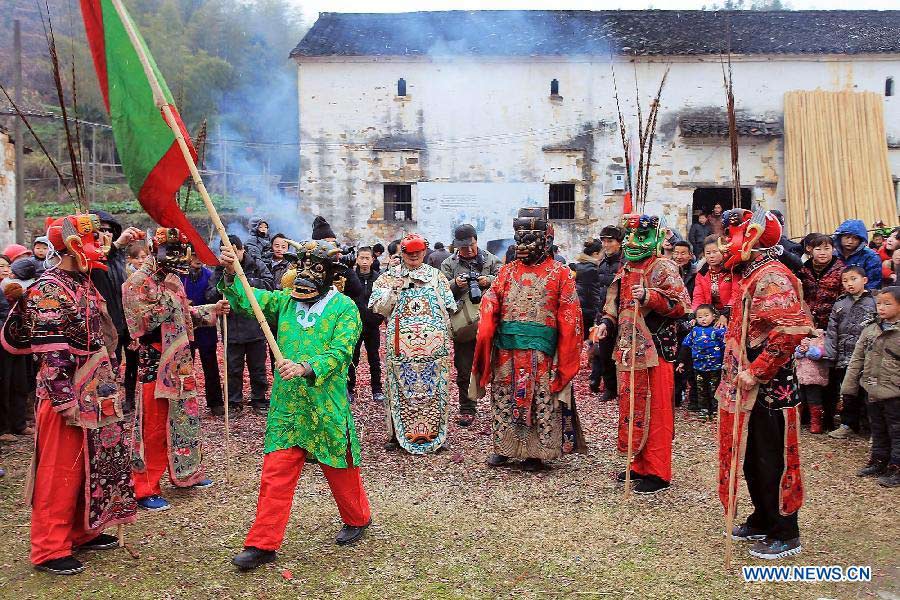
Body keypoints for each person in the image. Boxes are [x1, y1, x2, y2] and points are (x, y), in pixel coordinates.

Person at [220, 240, 372, 571]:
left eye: (314, 269)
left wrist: (305, 367)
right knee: (276, 471)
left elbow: (341, 352)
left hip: (325, 403)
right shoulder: (286, 303)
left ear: (331, 275)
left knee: (340, 466)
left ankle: (358, 517)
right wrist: (233, 273)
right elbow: (251, 301)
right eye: (301, 267)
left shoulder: (344, 309)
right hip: (287, 406)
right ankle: (262, 543)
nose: (303, 275)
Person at [2, 214, 137, 575]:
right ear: (74, 248)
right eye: (93, 242)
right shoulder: (50, 288)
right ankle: (49, 547)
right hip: (68, 395)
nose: (100, 250)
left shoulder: (81, 281)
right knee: (59, 473)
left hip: (95, 391)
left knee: (89, 466)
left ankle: (82, 530)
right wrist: (63, 399)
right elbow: (51, 350)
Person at [717, 209, 813, 560]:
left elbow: (789, 330)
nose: (727, 243)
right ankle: (762, 518)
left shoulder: (773, 276)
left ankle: (785, 531)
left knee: (773, 457)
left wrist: (758, 370)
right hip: (745, 383)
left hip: (772, 387)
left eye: (732, 235)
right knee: (751, 456)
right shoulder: (752, 274)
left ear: (754, 238)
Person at [472, 207, 585, 470]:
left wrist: (565, 354)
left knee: (540, 397)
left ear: (546, 239)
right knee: (504, 395)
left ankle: (537, 451)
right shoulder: (506, 271)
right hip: (506, 348)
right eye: (519, 239)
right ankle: (504, 447)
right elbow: (493, 298)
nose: (522, 246)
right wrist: (488, 308)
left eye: (530, 239)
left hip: (541, 350)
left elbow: (570, 316)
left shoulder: (560, 273)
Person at [124, 228, 227, 511]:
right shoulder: (137, 282)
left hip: (181, 362)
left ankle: (185, 473)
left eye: (181, 251)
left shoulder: (172, 280)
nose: (179, 258)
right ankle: (144, 487)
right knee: (153, 427)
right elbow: (140, 324)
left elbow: (183, 313)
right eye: (171, 251)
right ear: (155, 251)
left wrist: (211, 310)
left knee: (185, 420)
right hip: (154, 365)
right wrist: (168, 296)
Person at [592, 214, 690, 493]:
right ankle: (638, 464)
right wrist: (605, 324)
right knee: (632, 405)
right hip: (628, 347)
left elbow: (682, 306)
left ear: (657, 238)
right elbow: (616, 304)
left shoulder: (664, 267)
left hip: (656, 349)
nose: (634, 242)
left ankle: (658, 471)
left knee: (655, 408)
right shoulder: (626, 267)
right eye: (631, 236)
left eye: (642, 237)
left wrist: (650, 297)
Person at [369, 234, 455, 454]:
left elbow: (448, 309)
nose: (414, 256)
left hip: (434, 349)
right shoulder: (388, 278)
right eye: (409, 252)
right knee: (397, 388)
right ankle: (396, 435)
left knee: (435, 390)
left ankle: (436, 433)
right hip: (401, 348)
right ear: (402, 253)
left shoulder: (437, 277)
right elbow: (379, 308)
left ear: (424, 252)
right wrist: (394, 290)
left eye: (418, 252)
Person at [440, 224, 501, 427]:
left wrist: (488, 280)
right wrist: (455, 284)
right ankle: (467, 408)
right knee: (464, 367)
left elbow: (505, 281)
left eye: (471, 245)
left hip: (491, 321)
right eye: (463, 247)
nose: (467, 250)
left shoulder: (491, 260)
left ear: (477, 240)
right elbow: (440, 291)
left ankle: (501, 406)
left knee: (500, 365)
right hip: (464, 324)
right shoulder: (449, 264)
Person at [206, 236, 274, 416]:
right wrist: (224, 290)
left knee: (258, 367)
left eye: (234, 251)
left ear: (242, 249)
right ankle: (234, 402)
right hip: (232, 328)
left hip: (255, 326)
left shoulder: (256, 265)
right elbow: (210, 295)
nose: (231, 255)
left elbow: (269, 285)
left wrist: (243, 285)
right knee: (232, 369)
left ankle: (259, 399)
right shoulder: (220, 270)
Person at [841, 286, 900, 488]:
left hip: (895, 392)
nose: (881, 307)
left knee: (897, 431)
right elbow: (857, 358)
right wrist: (849, 386)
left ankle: (896, 467)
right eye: (879, 303)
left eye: (888, 303)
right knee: (878, 428)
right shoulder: (871, 328)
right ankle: (878, 461)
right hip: (872, 388)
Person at [91, 211, 143, 414]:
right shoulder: (88, 259)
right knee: (108, 365)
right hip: (105, 322)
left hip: (125, 319)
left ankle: (129, 399)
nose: (106, 234)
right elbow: (99, 257)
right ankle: (106, 404)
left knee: (132, 363)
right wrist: (118, 244)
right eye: (100, 230)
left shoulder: (120, 261)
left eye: (109, 230)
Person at [827, 266, 876, 439]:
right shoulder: (840, 303)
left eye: (853, 279)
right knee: (848, 392)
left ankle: (872, 427)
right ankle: (848, 424)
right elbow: (832, 331)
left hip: (868, 357)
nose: (849, 284)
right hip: (844, 356)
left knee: (869, 393)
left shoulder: (875, 302)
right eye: (845, 281)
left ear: (865, 280)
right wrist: (831, 354)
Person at [183, 255, 225, 416]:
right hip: (187, 328)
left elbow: (214, 294)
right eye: (193, 256)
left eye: (199, 256)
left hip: (206, 328)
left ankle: (215, 402)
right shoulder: (180, 276)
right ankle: (185, 403)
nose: (197, 259)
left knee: (211, 365)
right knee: (185, 366)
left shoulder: (209, 275)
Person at [592, 225, 624, 399]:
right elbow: (599, 290)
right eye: (604, 241)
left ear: (619, 243)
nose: (606, 244)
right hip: (604, 312)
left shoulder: (626, 261)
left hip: (622, 312)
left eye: (610, 241)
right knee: (604, 352)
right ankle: (610, 388)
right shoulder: (602, 262)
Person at [348, 246, 384, 402]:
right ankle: (349, 388)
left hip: (372, 325)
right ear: (356, 259)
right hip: (354, 324)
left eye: (367, 258)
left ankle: (377, 389)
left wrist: (377, 318)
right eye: (361, 258)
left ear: (372, 260)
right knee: (352, 358)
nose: (364, 261)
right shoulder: (350, 277)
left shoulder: (378, 278)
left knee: (374, 358)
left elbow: (383, 301)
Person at [677, 304, 725, 419]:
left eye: (706, 316)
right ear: (695, 318)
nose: (703, 319)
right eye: (700, 317)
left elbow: (725, 346)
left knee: (715, 388)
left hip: (715, 366)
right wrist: (681, 362)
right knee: (701, 389)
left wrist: (725, 362)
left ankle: (714, 410)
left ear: (713, 317)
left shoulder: (718, 330)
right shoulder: (694, 331)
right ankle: (703, 409)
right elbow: (686, 346)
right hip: (698, 366)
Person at [798, 233, 845, 330]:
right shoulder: (803, 270)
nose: (822, 253)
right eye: (818, 249)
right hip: (808, 321)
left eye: (827, 249)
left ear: (833, 249)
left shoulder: (841, 271)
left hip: (833, 323)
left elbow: (844, 298)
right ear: (810, 250)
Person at [671, 240, 698, 409]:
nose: (679, 256)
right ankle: (676, 393)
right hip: (673, 317)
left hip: (691, 317)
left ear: (690, 255)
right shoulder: (668, 271)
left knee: (687, 356)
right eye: (677, 253)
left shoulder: (696, 273)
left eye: (683, 253)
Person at [692, 235, 733, 324]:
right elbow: (698, 296)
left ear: (723, 251)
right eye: (708, 253)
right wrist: (696, 315)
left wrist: (725, 315)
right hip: (710, 315)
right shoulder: (702, 273)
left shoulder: (733, 270)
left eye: (715, 252)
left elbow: (736, 294)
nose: (711, 256)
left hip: (732, 313)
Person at [833, 219, 883, 289]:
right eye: (847, 237)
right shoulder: (833, 256)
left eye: (855, 238)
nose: (850, 241)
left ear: (861, 240)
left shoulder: (871, 257)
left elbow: (874, 284)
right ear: (840, 237)